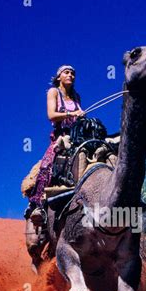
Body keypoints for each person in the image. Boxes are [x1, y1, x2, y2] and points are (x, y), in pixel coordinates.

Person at [26, 64, 85, 226]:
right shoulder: (54, 92)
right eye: (67, 72)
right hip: (61, 136)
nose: (71, 75)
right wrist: (71, 113)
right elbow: (51, 115)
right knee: (47, 165)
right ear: (59, 76)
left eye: (73, 73)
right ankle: (36, 205)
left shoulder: (76, 97)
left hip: (77, 137)